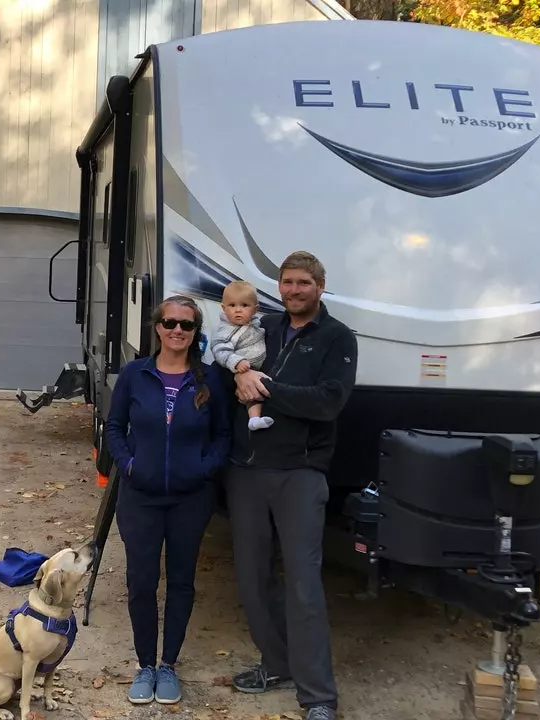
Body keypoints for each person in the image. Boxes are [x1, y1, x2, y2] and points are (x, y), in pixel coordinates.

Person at [223, 251, 358, 720]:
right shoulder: (268, 327)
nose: (294, 290)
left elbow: (329, 402)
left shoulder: (338, 337)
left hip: (300, 473)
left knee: (304, 585)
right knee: (253, 577)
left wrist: (266, 389)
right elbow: (232, 363)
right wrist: (240, 375)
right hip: (248, 470)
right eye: (286, 282)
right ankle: (276, 663)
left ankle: (318, 696)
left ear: (320, 286)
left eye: (303, 282)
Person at [103, 294, 232, 706]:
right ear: (157, 327)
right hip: (139, 496)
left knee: (180, 581)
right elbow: (114, 427)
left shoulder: (210, 379)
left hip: (190, 499)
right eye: (171, 322)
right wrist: (129, 466)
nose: (178, 330)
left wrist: (202, 469)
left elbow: (224, 436)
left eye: (187, 325)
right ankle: (144, 663)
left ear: (196, 334)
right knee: (141, 581)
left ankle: (168, 665)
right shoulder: (134, 374)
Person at [210, 280, 273, 431]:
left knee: (257, 393)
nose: (238, 310)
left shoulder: (255, 323)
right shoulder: (226, 329)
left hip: (257, 369)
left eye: (244, 305)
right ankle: (254, 419)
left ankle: (255, 419)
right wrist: (236, 362)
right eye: (232, 305)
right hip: (241, 368)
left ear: (255, 309)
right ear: (224, 308)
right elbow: (219, 349)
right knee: (249, 394)